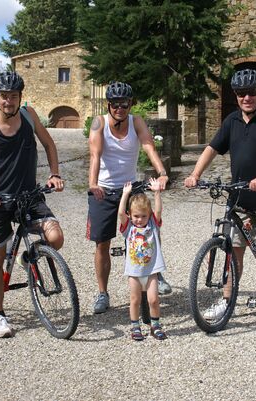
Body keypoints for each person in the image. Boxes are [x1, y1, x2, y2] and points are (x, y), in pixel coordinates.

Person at [184, 68, 256, 329]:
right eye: (241, 93)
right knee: (234, 252)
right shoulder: (232, 121)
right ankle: (226, 301)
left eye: (251, 92)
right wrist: (195, 174)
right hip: (239, 198)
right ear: (236, 96)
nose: (247, 98)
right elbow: (212, 148)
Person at [0, 71, 65, 338]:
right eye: (4, 96)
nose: (9, 101)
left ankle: (26, 258)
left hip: (29, 196)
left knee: (55, 236)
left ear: (20, 97)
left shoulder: (29, 116)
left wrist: (54, 173)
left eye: (13, 96)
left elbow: (49, 144)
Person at [87, 81, 171, 314]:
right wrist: (93, 183)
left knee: (150, 229)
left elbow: (149, 147)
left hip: (130, 186)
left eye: (124, 104)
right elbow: (95, 155)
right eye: (115, 104)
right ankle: (103, 293)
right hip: (104, 188)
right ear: (108, 105)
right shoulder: (99, 123)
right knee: (102, 243)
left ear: (130, 104)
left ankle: (155, 273)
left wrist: (162, 173)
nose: (119, 109)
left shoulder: (136, 122)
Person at [118, 178, 168, 340]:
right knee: (135, 300)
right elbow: (120, 214)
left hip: (151, 270)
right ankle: (135, 327)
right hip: (134, 272)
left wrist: (157, 193)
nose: (139, 219)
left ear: (149, 215)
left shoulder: (153, 225)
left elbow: (158, 211)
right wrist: (125, 194)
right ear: (130, 215)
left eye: (143, 216)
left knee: (153, 300)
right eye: (136, 216)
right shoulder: (129, 228)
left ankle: (155, 325)